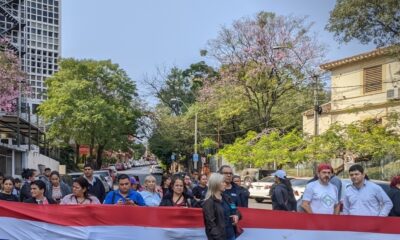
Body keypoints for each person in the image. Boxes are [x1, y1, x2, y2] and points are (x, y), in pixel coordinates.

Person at [203, 173, 241, 240]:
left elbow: (236, 210)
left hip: (231, 235)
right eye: (222, 182)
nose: (225, 184)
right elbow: (211, 226)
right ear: (216, 184)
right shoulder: (209, 202)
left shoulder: (227, 198)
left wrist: (237, 216)